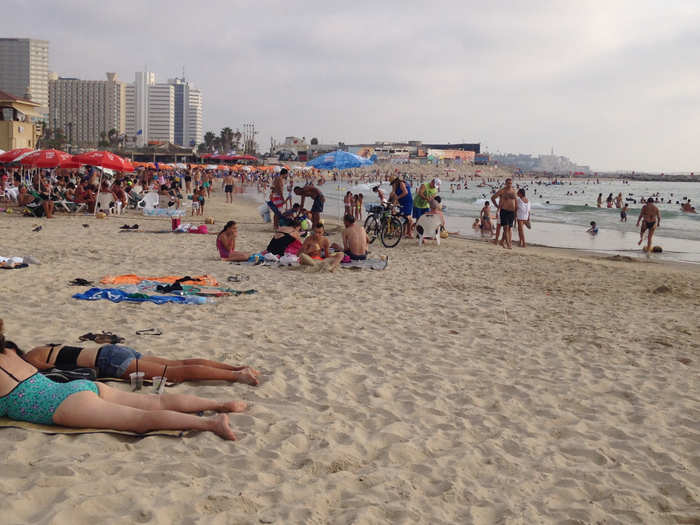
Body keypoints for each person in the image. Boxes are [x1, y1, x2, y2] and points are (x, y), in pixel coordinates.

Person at [0, 321, 243, 440]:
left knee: (140, 420)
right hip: (73, 387)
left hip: (60, 404)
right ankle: (221, 404)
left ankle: (211, 424)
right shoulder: (9, 349)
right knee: (153, 403)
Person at [23, 343, 259, 385]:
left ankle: (236, 376)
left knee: (174, 373)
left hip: (107, 360)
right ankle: (236, 368)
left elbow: (43, 372)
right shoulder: (41, 348)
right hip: (110, 351)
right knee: (176, 363)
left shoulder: (29, 359)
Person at [491, 178, 517, 249]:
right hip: (504, 211)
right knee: (505, 228)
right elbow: (493, 198)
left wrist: (516, 212)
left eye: (510, 183)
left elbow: (516, 202)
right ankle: (508, 244)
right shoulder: (502, 191)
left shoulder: (514, 191)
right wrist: (497, 206)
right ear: (505, 183)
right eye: (508, 183)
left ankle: (502, 242)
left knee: (509, 229)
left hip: (512, 212)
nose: (509, 184)